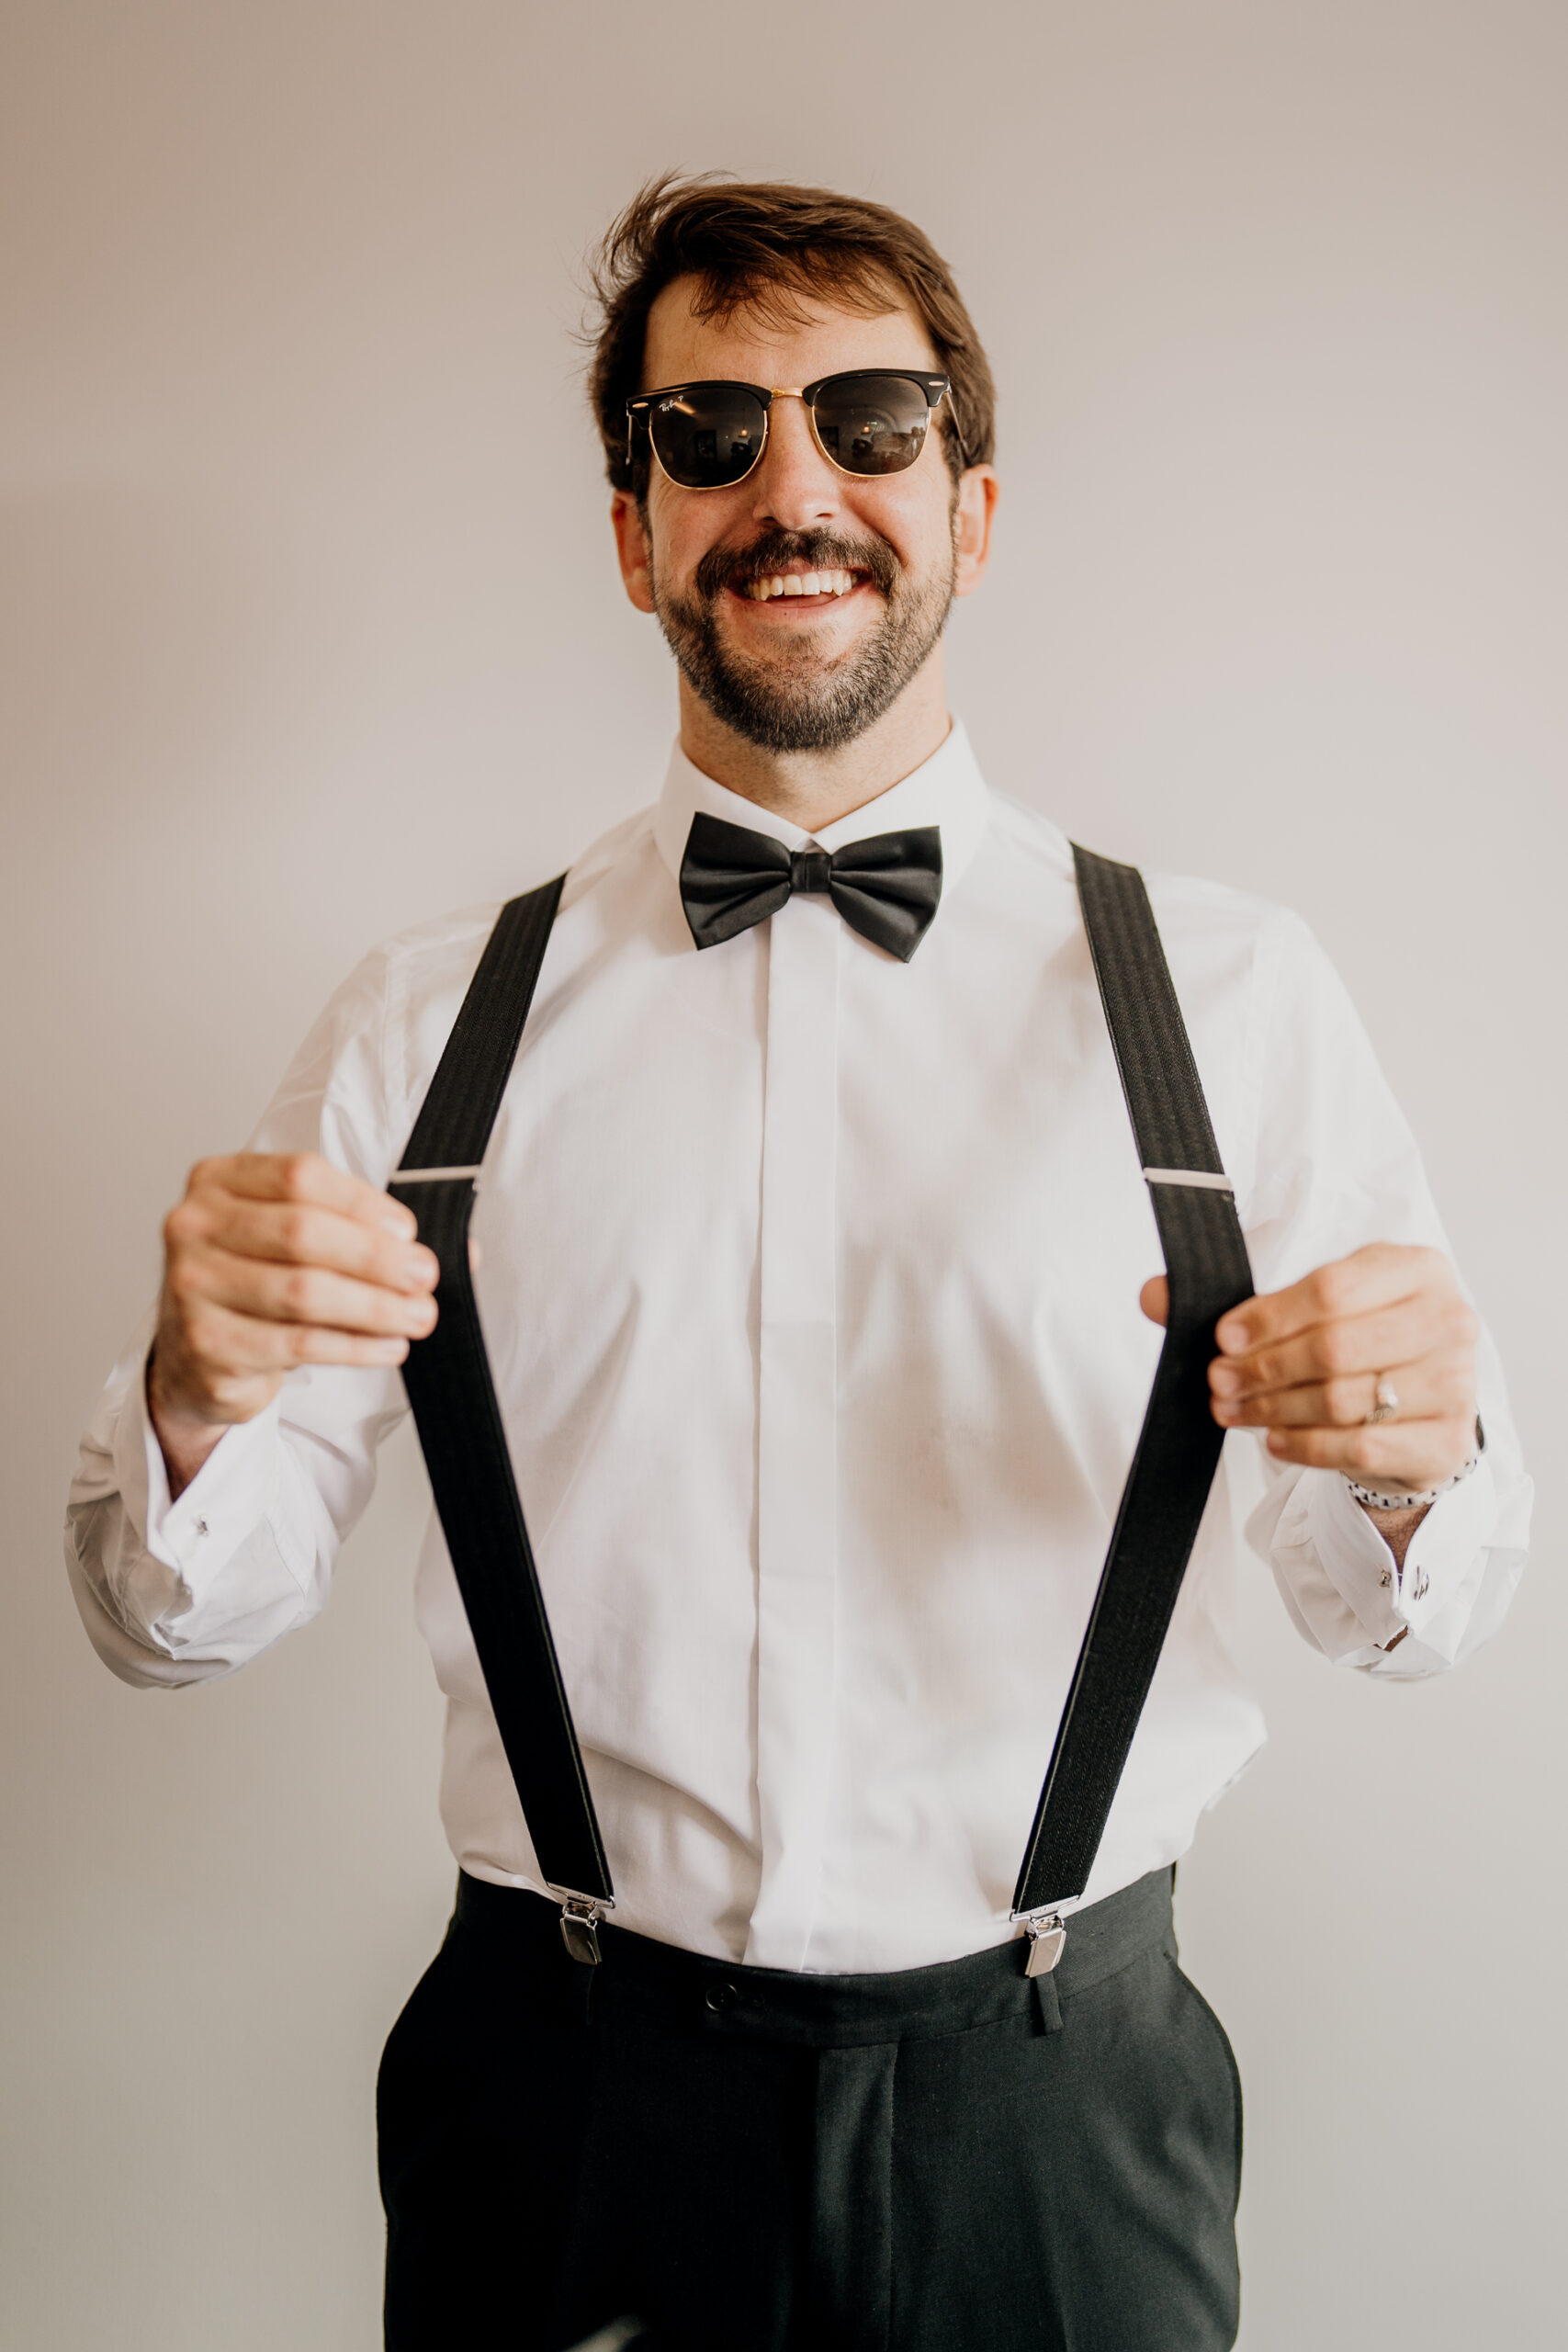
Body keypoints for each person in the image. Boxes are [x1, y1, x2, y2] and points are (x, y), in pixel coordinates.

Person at [65, 175, 1530, 2352]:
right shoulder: (419, 1020)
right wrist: (186, 1401)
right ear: (632, 528)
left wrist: (1420, 1465)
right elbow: (160, 1618)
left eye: (867, 420)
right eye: (708, 434)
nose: (793, 486)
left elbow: (1401, 1610)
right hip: (559, 2104)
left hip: (1061, 2108)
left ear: (972, 501)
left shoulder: (1229, 998)